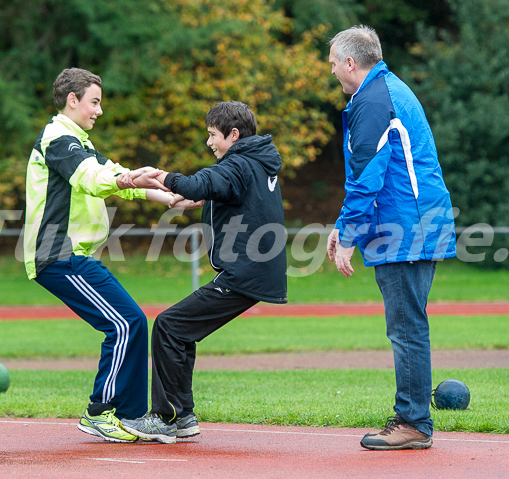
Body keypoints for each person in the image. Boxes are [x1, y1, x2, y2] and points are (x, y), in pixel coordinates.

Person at [23, 67, 185, 443]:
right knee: (126, 323)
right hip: (58, 254)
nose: (99, 110)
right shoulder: (59, 138)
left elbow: (113, 177)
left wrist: (169, 196)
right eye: (94, 102)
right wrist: (129, 179)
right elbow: (91, 179)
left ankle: (129, 417)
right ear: (72, 100)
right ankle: (101, 412)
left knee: (131, 322)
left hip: (74, 256)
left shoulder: (77, 140)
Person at [119, 101, 287, 443]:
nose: (209, 142)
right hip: (253, 271)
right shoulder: (257, 161)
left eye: (213, 135)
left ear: (233, 135)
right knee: (180, 331)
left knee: (167, 325)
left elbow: (201, 183)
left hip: (245, 273)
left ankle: (167, 417)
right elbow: (224, 192)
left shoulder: (238, 163)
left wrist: (160, 175)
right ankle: (182, 417)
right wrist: (200, 199)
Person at [326, 25, 456, 450]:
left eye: (332, 64)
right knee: (408, 325)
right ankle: (413, 417)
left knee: (406, 328)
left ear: (350, 62)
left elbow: (367, 178)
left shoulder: (374, 99)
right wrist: (343, 226)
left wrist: (347, 235)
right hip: (412, 223)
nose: (332, 73)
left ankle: (414, 423)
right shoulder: (385, 90)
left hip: (407, 228)